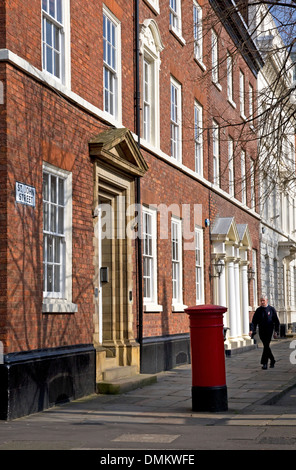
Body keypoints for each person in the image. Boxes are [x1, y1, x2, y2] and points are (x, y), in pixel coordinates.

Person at [249, 295, 280, 370]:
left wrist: (276, 331)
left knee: (266, 345)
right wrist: (251, 330)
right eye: (261, 301)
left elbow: (276, 321)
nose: (262, 302)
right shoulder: (258, 310)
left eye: (263, 300)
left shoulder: (271, 309)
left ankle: (264, 363)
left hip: (269, 330)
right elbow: (254, 321)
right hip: (261, 330)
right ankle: (272, 360)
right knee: (266, 346)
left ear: (267, 300)